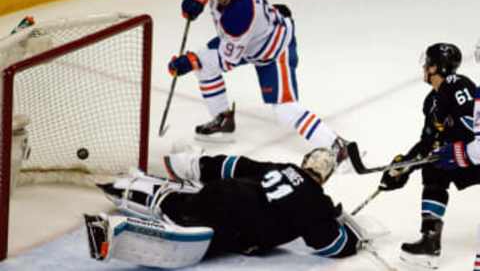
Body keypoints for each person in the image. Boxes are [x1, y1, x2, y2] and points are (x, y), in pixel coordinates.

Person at [168, 0, 349, 162]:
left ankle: (335, 146)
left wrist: (190, 61)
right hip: (249, 43)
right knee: (204, 67)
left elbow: (227, 61)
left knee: (285, 111)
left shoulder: (238, 17)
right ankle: (223, 119)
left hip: (273, 49)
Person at [84, 147, 376, 268]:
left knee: (181, 203)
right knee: (197, 233)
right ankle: (119, 230)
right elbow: (329, 244)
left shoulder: (281, 167)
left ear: (303, 163)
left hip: (223, 192)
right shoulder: (316, 202)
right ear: (324, 178)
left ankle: (131, 187)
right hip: (238, 225)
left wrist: (200, 165)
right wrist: (353, 237)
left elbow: (234, 165)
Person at [377, 42, 479, 269]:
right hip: (464, 155)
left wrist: (452, 147)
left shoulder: (458, 85)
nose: (425, 67)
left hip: (476, 154)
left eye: (428, 63)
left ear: (435, 67)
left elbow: (470, 124)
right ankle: (430, 240)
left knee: (438, 159)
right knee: (433, 166)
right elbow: (428, 142)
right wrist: (405, 165)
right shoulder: (432, 100)